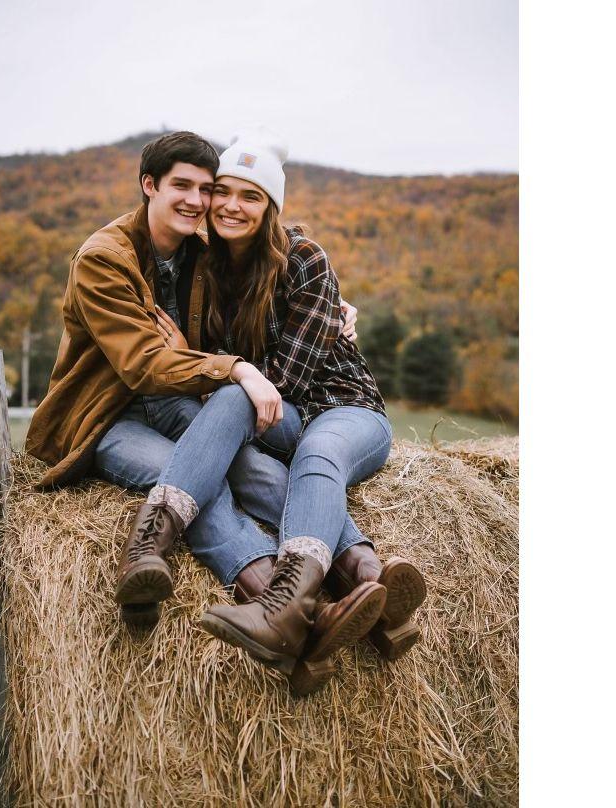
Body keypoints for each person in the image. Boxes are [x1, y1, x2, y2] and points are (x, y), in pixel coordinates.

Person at [25, 131, 378, 690]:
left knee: (237, 465)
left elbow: (276, 248)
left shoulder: (201, 248)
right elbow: (143, 365)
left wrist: (335, 300)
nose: (198, 200)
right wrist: (232, 367)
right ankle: (295, 615)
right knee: (203, 483)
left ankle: (345, 583)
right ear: (149, 186)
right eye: (182, 187)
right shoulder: (103, 258)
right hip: (109, 418)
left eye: (205, 189)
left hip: (183, 401)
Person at [130, 129, 427, 684]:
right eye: (224, 192)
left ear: (270, 206)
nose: (232, 206)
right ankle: (367, 580)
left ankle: (284, 606)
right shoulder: (202, 266)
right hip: (272, 417)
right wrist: (201, 364)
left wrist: (211, 367)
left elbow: (285, 380)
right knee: (233, 421)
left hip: (343, 410)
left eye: (251, 196)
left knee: (313, 451)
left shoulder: (304, 258)